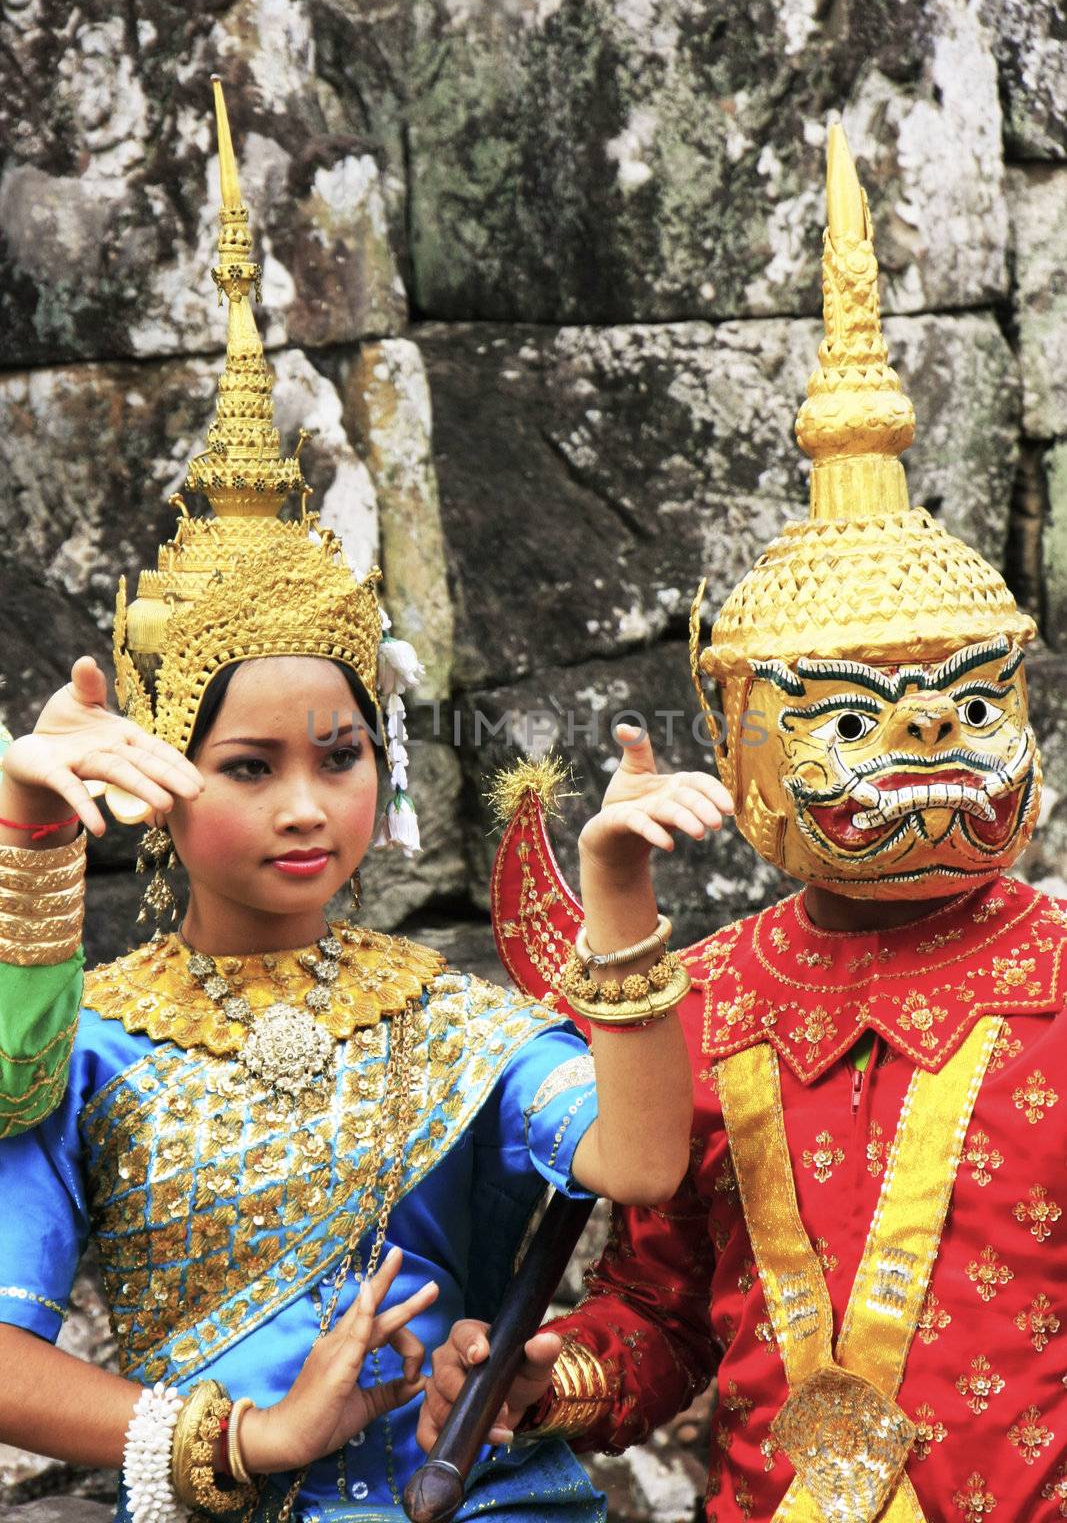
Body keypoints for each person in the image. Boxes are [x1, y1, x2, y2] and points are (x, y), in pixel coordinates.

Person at [0, 80, 729, 1523]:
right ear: (152, 782)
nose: (304, 805)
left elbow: (642, 1160)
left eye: (340, 756)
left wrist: (623, 901)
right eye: (248, 766)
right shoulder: (80, 1043)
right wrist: (245, 1442)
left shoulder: (449, 1019)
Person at [419, 127, 1067, 1521]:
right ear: (734, 735)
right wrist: (554, 1375)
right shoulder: (701, 1001)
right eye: (850, 720)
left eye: (965, 710)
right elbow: (660, 1315)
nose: (925, 758)